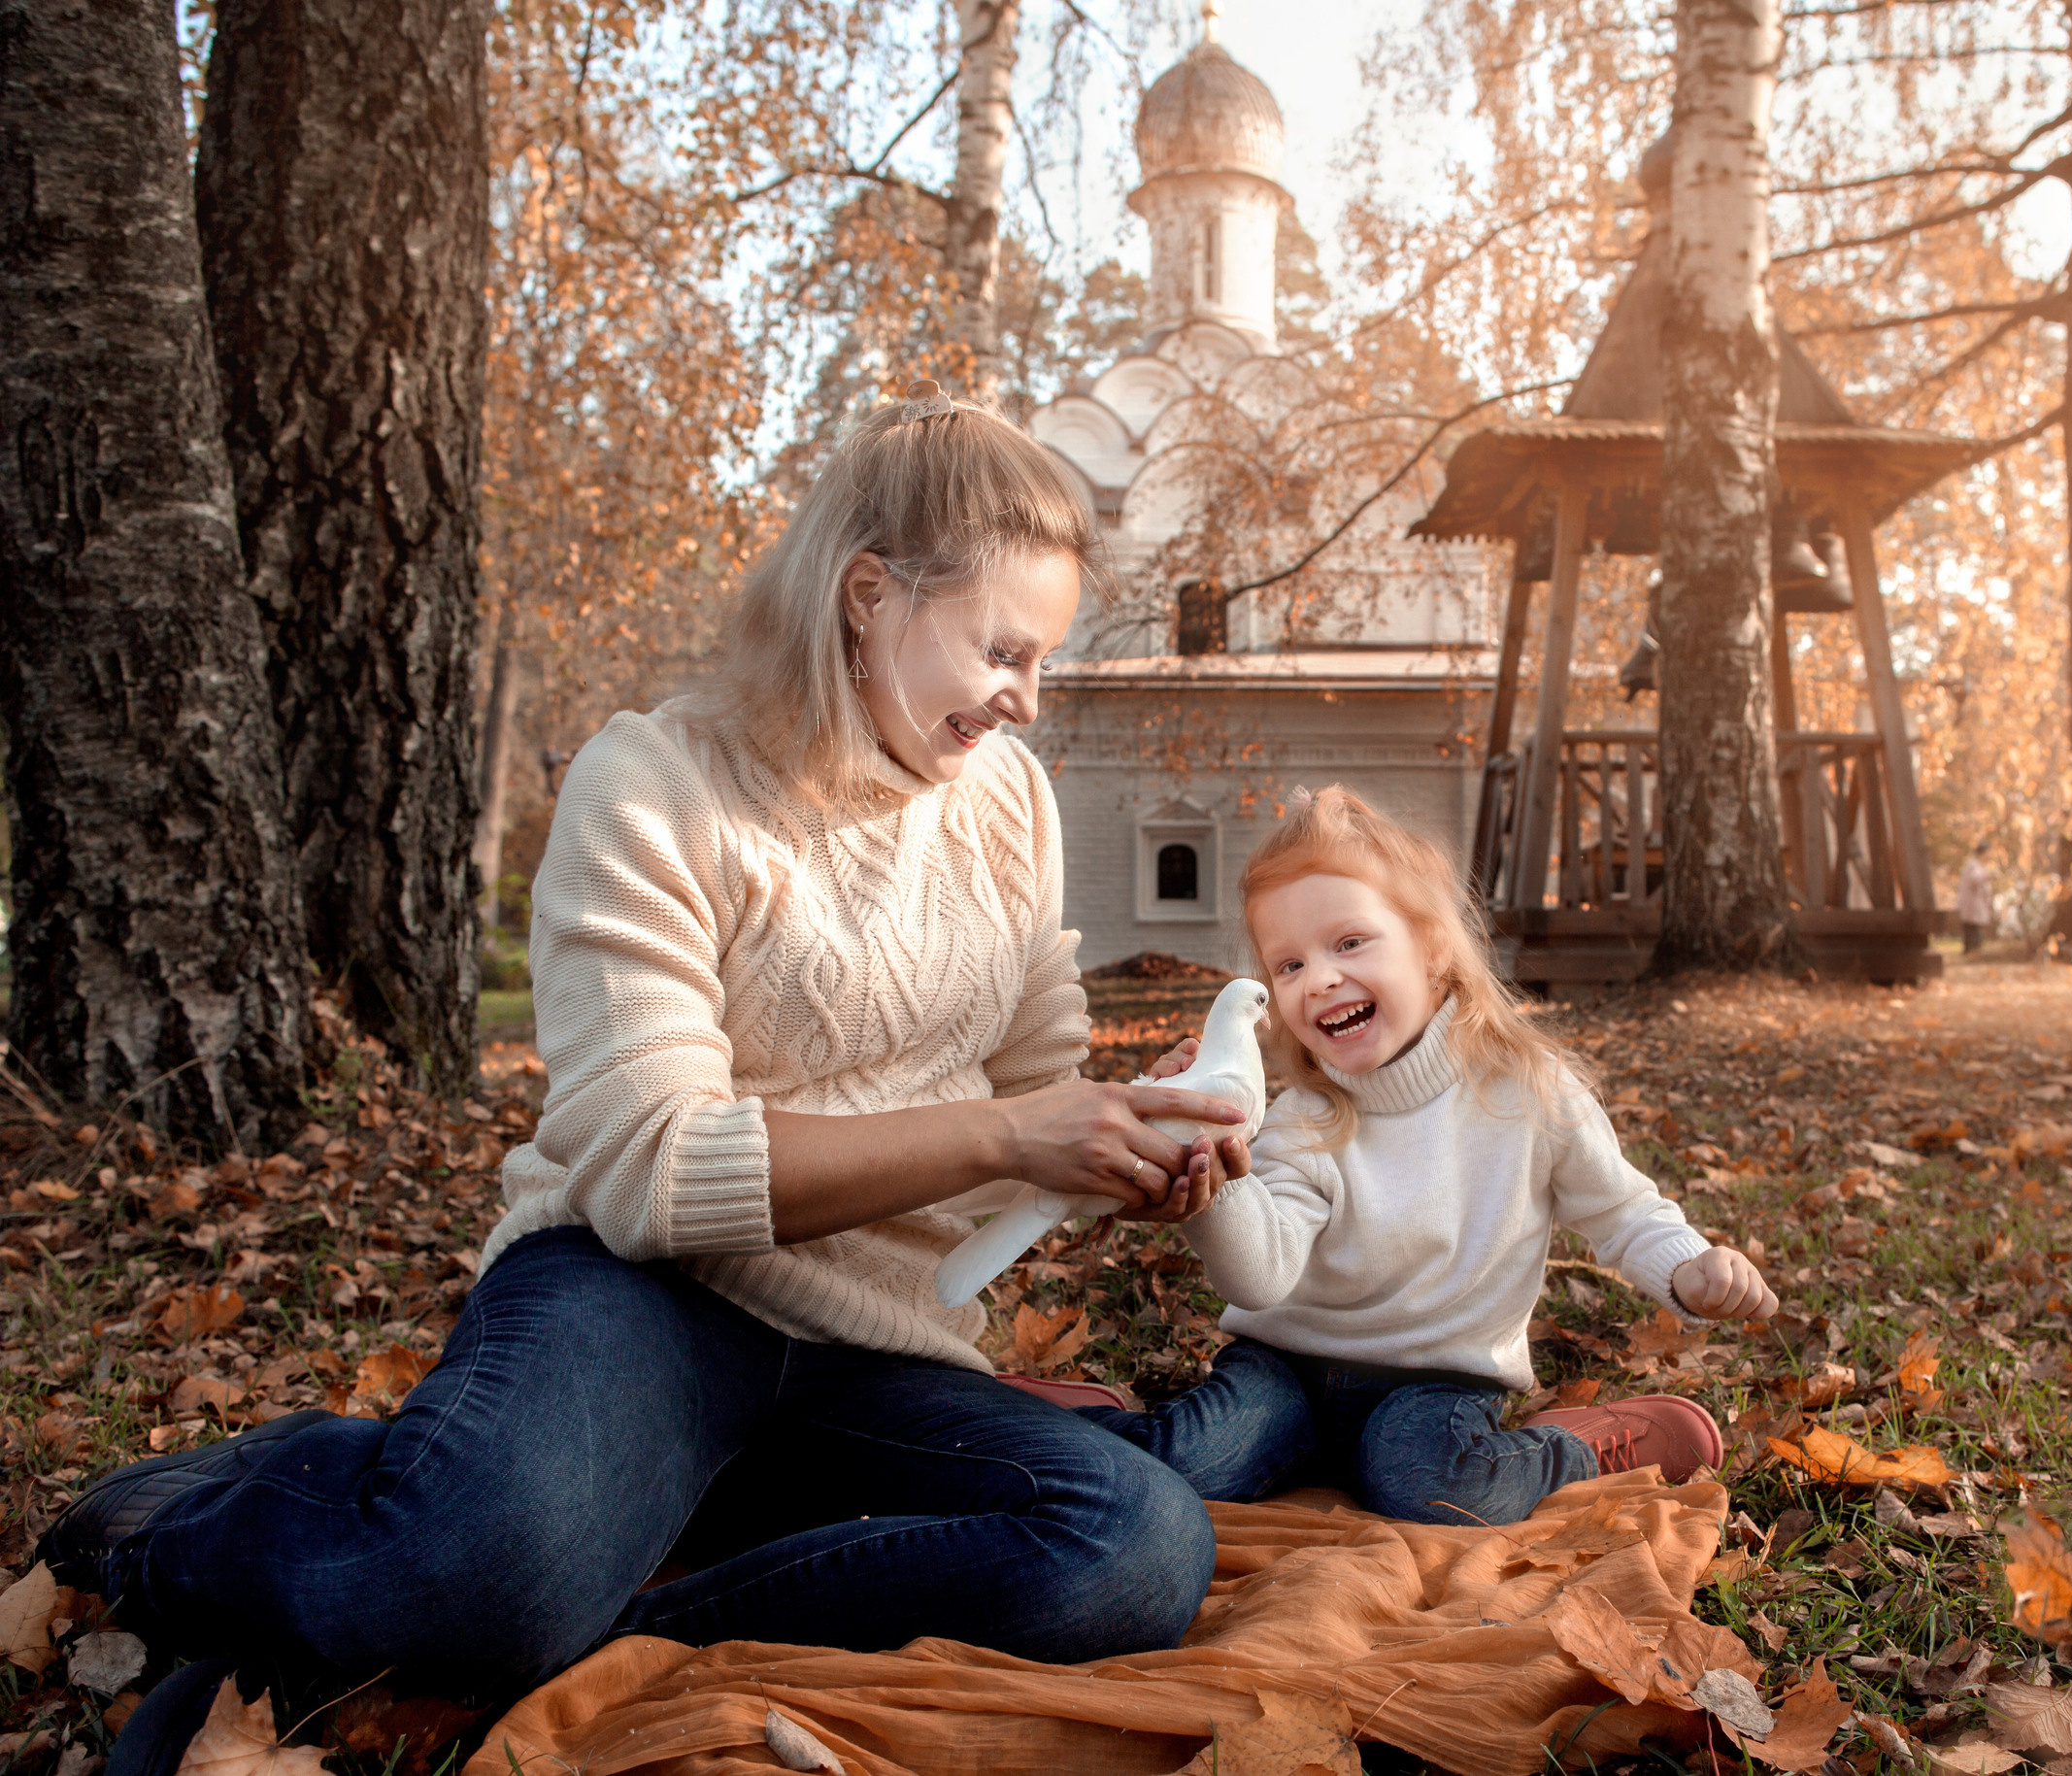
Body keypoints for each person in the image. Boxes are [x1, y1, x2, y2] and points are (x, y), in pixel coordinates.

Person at [39, 382, 1254, 1706]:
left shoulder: (1007, 803)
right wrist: (1011, 1133)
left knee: (1135, 1546)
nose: (1027, 701)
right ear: (868, 595)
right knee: (462, 1568)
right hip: (639, 1302)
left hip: (879, 1345)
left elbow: (1037, 1092)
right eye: (1004, 653)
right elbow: (653, 1171)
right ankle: (190, 1522)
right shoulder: (652, 782)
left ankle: (618, 1616)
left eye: (1043, 663)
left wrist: (1124, 1150)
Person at [1076, 787, 1780, 1525]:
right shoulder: (1306, 1117)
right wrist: (1215, 1175)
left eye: (1348, 943)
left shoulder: (1529, 1094)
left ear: (1433, 946)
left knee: (1433, 1487)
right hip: (1284, 1368)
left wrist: (1691, 1265)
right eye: (1288, 965)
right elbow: (1260, 1276)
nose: (1318, 977)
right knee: (1189, 1463)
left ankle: (1574, 1449)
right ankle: (1035, 1427)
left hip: (1439, 1384)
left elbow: (1623, 1211)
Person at [1956, 841, 1996, 955]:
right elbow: (1974, 879)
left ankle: (1975, 949)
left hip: (1976, 902)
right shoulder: (1972, 864)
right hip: (1971, 901)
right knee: (1971, 926)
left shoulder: (1979, 865)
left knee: (1975, 926)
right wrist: (1989, 875)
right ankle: (1971, 950)